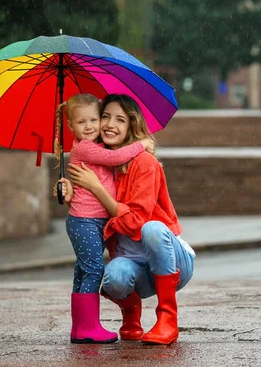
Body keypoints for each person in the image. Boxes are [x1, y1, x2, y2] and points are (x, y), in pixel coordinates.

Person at [66, 93, 195, 345]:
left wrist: (96, 189)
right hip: (136, 265)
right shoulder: (102, 161)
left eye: (120, 120)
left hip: (172, 261)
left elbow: (135, 221)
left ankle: (167, 318)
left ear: (132, 125)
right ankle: (131, 314)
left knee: (152, 230)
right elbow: (92, 207)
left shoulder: (143, 162)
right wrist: (71, 193)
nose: (109, 125)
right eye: (105, 117)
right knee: (112, 279)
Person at [53, 93, 153, 344]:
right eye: (81, 122)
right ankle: (88, 326)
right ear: (70, 126)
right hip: (85, 221)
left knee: (82, 271)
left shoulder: (94, 146)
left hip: (90, 221)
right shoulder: (86, 148)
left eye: (94, 120)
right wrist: (143, 145)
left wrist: (70, 189)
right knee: (94, 270)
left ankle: (79, 327)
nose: (89, 127)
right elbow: (115, 158)